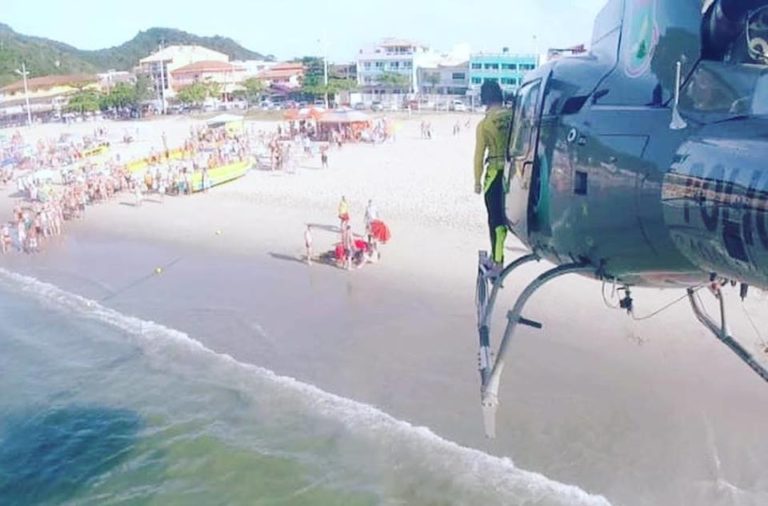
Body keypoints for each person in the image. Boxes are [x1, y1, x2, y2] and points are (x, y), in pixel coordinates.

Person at [474, 80, 513, 274]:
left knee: (495, 221)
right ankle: (496, 257)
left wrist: (477, 181)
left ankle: (497, 262)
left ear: (484, 99)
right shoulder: (514, 116)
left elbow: (478, 156)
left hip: (495, 175)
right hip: (515, 174)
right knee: (504, 219)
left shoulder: (484, 124)